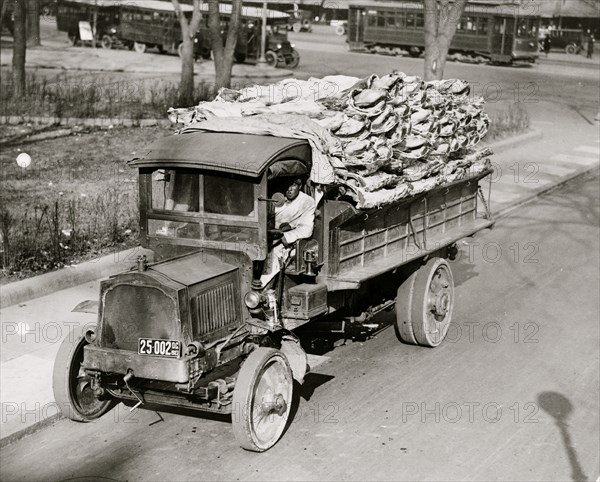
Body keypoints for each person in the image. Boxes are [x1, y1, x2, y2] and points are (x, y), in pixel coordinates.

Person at [260, 177, 316, 287]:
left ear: (300, 186)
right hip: (264, 235)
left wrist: (286, 237)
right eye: (287, 185)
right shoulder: (276, 197)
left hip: (286, 241)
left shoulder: (307, 202)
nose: (289, 189)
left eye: (293, 185)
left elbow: (306, 229)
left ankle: (262, 288)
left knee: (273, 259)